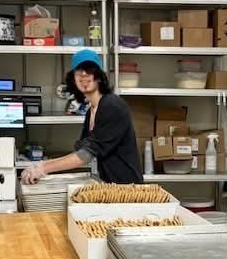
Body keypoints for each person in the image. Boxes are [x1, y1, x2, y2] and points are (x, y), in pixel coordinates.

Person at [21, 49, 143, 185]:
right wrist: (42, 164)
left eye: (89, 70)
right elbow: (82, 150)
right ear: (73, 79)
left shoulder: (111, 105)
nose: (84, 74)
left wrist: (43, 168)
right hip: (111, 186)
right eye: (79, 70)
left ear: (98, 76)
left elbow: (85, 156)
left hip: (129, 190)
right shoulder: (92, 110)